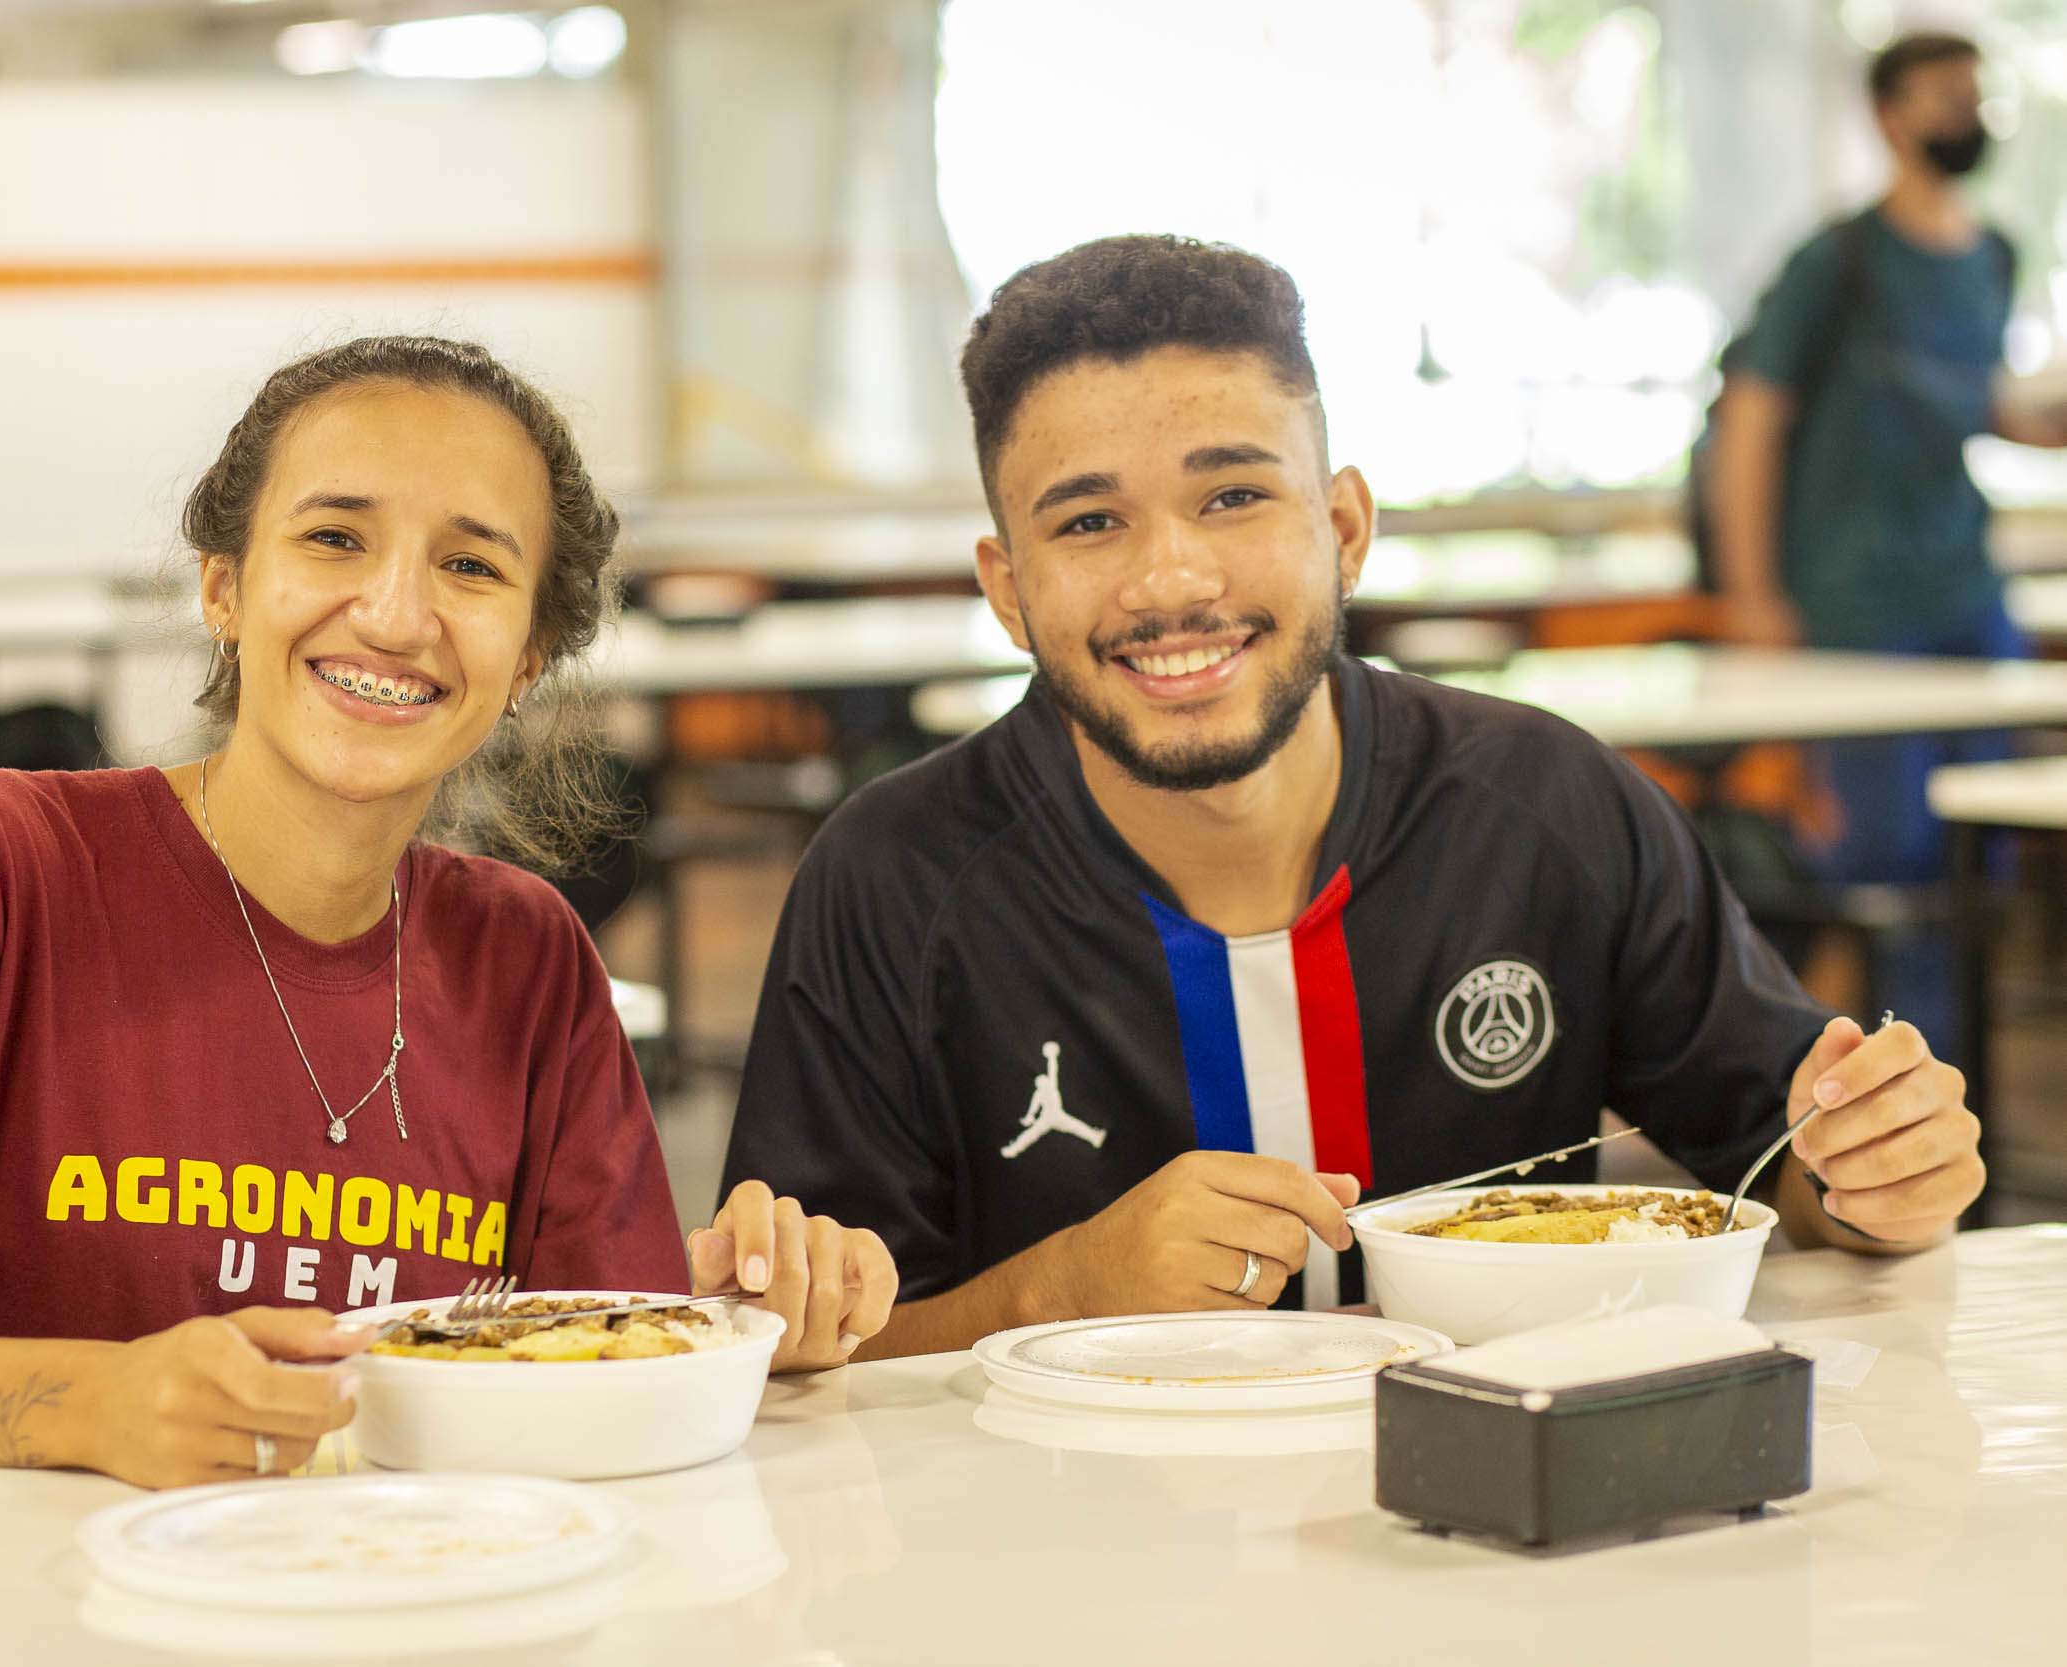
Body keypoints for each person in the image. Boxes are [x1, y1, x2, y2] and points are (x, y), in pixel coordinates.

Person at [0, 336, 895, 1488]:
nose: (394, 611)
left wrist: (742, 1320)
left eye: (471, 564)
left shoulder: (527, 956)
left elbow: (585, 1383)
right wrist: (81, 1403)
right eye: (334, 537)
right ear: (222, 583)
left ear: (531, 657)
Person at [721, 235, 1988, 1360]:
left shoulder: (1548, 807)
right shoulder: (892, 879)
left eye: (1232, 496)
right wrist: (1060, 1287)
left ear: (1342, 526)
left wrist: (1885, 1172)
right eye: (1091, 521)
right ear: (1007, 587)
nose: (1171, 578)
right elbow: (789, 1352)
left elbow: (1796, 1163)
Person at [1708, 29, 2067, 1051]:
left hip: (1964, 587)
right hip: (1855, 601)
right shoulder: (1837, 260)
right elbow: (1750, 423)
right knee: (1888, 858)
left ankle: (1961, 1101)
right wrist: (1754, 599)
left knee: (1983, 854)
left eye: (1975, 93)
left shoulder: (1994, 253)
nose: (1967, 112)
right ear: (1888, 113)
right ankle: (1906, 1100)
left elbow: (1967, 397)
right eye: (1944, 94)